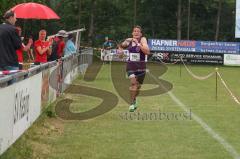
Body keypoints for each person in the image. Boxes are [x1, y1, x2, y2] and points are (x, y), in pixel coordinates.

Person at [120, 25, 150, 112]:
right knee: (133, 83)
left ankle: (135, 99)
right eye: (134, 31)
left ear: (141, 33)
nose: (136, 32)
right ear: (132, 33)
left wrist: (138, 44)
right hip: (130, 66)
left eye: (138, 31)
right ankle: (132, 103)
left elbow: (147, 52)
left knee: (138, 86)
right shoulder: (128, 40)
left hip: (141, 67)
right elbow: (121, 47)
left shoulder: (143, 40)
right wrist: (120, 51)